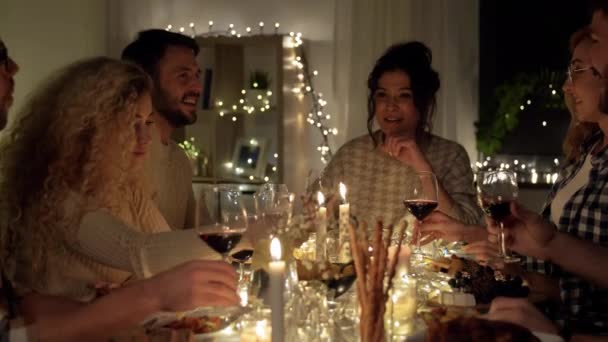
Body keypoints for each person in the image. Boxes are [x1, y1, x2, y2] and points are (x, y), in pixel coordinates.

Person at [0, 38, 238, 340]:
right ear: (90, 129)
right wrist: (246, 231)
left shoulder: (124, 187)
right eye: (130, 123)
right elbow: (141, 252)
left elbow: (168, 249)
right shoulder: (56, 195)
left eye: (147, 123)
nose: (144, 137)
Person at [420, 28, 608, 335]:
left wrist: (556, 335)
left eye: (577, 69)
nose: (565, 85)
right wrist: (472, 235)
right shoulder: (585, 153)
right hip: (543, 319)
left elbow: (583, 291)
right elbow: (561, 275)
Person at [318, 41, 481, 227]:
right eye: (382, 95)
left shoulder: (451, 155)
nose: (390, 105)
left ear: (424, 102)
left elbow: (467, 229)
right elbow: (320, 220)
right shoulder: (351, 155)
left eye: (404, 95)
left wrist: (422, 167)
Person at [122, 29, 202, 230]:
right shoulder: (126, 156)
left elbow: (200, 232)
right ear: (145, 81)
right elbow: (142, 248)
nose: (198, 87)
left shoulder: (179, 159)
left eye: (197, 75)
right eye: (183, 76)